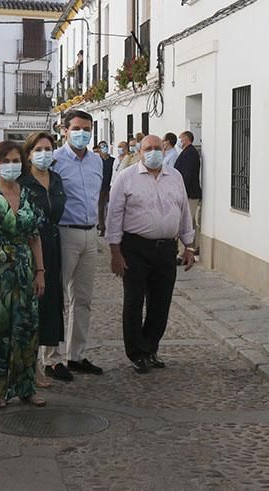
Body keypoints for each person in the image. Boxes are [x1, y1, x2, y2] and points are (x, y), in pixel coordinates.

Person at [106, 135, 195, 374]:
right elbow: (114, 215)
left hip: (167, 249)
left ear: (164, 150)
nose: (153, 152)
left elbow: (184, 211)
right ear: (140, 152)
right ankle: (137, 352)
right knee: (134, 302)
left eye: (157, 148)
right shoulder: (126, 178)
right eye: (148, 148)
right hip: (135, 248)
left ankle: (150, 347)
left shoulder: (175, 177)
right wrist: (115, 251)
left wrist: (189, 245)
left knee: (161, 302)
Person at [0, 141, 46, 408]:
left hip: (24, 272)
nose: (11, 166)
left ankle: (26, 387)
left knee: (27, 329)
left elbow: (35, 237)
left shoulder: (28, 196)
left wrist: (40, 271)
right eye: (6, 161)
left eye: (16, 161)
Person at [45, 109, 104, 381]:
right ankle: (51, 359)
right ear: (64, 130)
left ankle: (76, 355)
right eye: (77, 128)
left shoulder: (97, 161)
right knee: (58, 297)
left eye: (87, 129)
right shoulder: (54, 161)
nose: (83, 133)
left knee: (84, 299)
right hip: (64, 232)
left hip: (90, 234)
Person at [18, 132, 66, 389]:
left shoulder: (56, 179)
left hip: (53, 245)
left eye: (48, 148)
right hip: (28, 248)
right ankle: (28, 367)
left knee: (49, 304)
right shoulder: (21, 181)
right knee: (29, 306)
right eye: (38, 149)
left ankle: (46, 361)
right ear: (29, 153)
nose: (44, 153)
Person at [174, 131, 202, 261]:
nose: (179, 141)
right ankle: (192, 248)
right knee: (191, 222)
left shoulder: (190, 153)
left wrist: (181, 191)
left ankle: (184, 252)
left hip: (189, 194)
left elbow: (187, 175)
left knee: (187, 222)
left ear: (186, 139)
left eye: (180, 138)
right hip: (188, 193)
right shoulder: (187, 152)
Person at [97, 142, 115, 236]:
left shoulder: (112, 160)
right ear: (99, 149)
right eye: (102, 147)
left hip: (110, 187)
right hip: (100, 187)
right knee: (100, 208)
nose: (105, 148)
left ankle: (110, 227)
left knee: (110, 207)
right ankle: (102, 227)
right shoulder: (97, 161)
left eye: (106, 146)